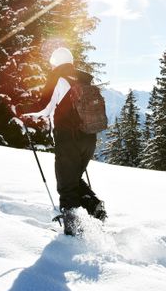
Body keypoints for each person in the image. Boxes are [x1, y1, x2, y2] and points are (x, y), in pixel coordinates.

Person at [18, 47, 106, 236]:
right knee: (73, 178)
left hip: (68, 139)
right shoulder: (83, 80)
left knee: (66, 185)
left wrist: (21, 110)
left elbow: (44, 107)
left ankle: (72, 231)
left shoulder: (58, 77)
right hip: (89, 138)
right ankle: (94, 206)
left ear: (55, 62)